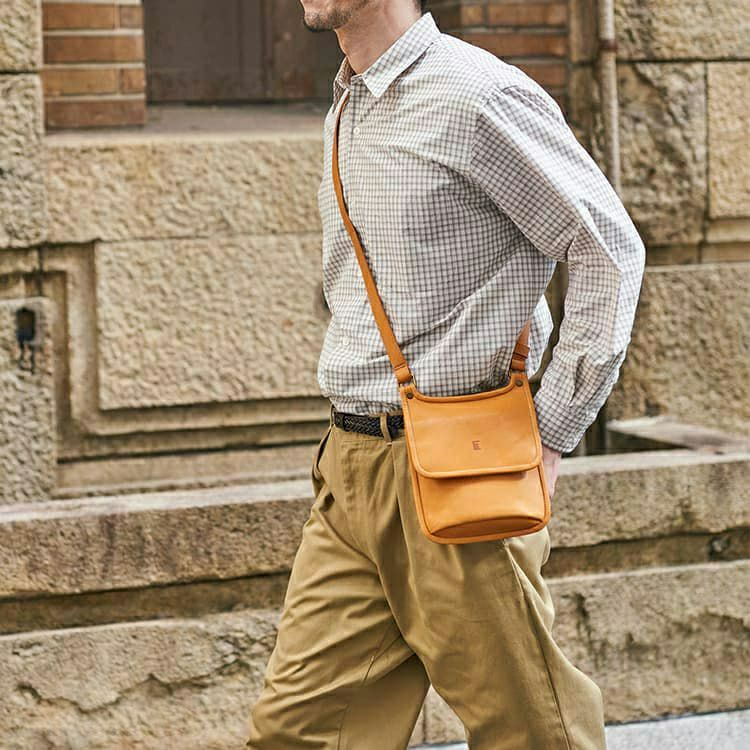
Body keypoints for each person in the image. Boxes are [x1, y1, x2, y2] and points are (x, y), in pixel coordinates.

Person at [245, 1, 645, 748]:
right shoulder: (350, 103)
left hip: (462, 467)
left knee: (533, 732)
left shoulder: (477, 94)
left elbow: (608, 251)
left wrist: (552, 431)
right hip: (350, 467)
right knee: (297, 732)